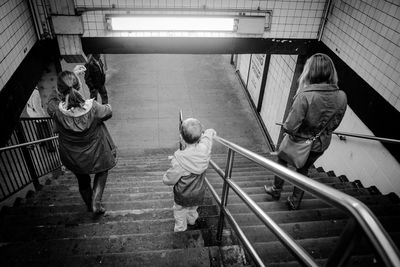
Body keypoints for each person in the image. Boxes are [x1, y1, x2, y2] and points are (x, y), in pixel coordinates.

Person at [264, 53, 347, 210]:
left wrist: (290, 127)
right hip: (320, 145)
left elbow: (290, 126)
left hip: (299, 141)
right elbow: (334, 124)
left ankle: (276, 190)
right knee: (303, 170)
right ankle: (295, 201)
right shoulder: (342, 96)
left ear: (310, 72)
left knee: (282, 161)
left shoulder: (305, 95)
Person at [47, 68, 116, 214]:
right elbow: (108, 112)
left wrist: (66, 84)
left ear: (60, 91)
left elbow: (51, 103)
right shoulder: (93, 107)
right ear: (78, 86)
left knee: (82, 180)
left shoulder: (57, 112)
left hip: (73, 155)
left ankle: (89, 205)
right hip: (97, 151)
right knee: (102, 171)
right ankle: (96, 202)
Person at [163, 118, 216, 232]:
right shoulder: (204, 150)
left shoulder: (179, 161)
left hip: (183, 195)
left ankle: (181, 228)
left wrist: (165, 178)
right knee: (193, 208)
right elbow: (206, 139)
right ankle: (191, 220)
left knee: (179, 211)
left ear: (181, 138)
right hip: (198, 193)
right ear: (199, 137)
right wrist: (209, 132)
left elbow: (170, 179)